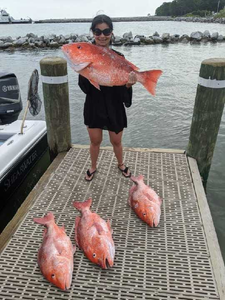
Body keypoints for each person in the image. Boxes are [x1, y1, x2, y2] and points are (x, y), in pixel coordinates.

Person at [78, 14, 137, 181]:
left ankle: (121, 164)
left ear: (111, 33)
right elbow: (84, 88)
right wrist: (85, 71)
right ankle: (93, 166)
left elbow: (123, 87)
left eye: (106, 31)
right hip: (94, 104)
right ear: (92, 32)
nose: (102, 36)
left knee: (116, 141)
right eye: (97, 31)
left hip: (114, 105)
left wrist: (128, 84)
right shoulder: (85, 54)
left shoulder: (119, 57)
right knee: (94, 140)